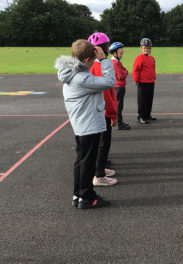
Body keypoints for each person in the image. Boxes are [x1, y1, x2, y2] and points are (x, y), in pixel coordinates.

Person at [54, 39, 115, 209]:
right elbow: (110, 82)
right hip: (88, 126)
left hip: (82, 124)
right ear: (87, 60)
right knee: (87, 162)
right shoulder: (82, 78)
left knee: (81, 161)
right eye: (93, 59)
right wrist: (104, 60)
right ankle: (87, 197)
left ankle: (78, 194)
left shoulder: (69, 73)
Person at [88, 32, 118, 186]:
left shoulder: (90, 66)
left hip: (92, 112)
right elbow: (108, 94)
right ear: (104, 49)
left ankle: (100, 167)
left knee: (97, 143)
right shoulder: (102, 67)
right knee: (103, 143)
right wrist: (113, 115)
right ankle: (99, 175)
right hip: (103, 112)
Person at [132, 38, 156, 124]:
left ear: (150, 49)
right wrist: (136, 80)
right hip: (142, 82)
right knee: (142, 100)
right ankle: (141, 116)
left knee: (149, 99)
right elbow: (135, 70)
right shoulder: (139, 58)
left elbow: (153, 69)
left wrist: (154, 78)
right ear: (141, 48)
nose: (146, 49)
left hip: (151, 82)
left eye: (148, 48)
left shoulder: (152, 58)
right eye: (144, 48)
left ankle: (147, 114)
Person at [109, 42, 130, 130]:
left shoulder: (118, 62)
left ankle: (120, 122)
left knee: (120, 105)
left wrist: (124, 72)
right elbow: (122, 75)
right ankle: (119, 123)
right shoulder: (114, 63)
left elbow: (125, 71)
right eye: (120, 53)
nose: (122, 55)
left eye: (122, 53)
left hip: (120, 86)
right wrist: (124, 72)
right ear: (114, 53)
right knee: (118, 106)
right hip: (118, 87)